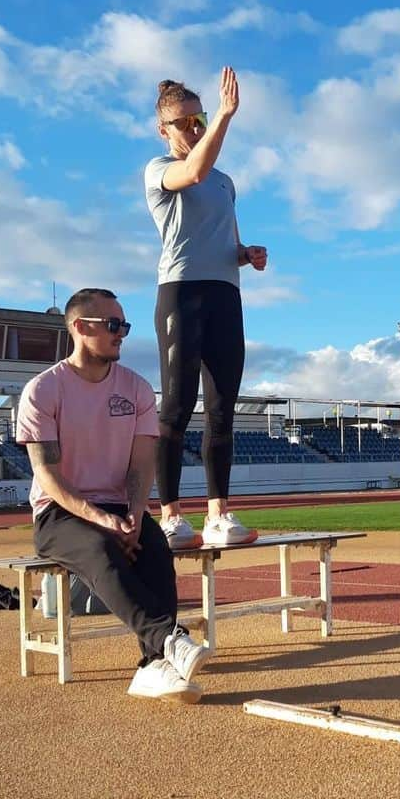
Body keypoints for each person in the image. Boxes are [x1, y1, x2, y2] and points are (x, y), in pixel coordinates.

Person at [16, 288, 212, 703]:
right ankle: (168, 641)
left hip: (119, 507)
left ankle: (151, 665)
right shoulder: (42, 391)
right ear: (79, 328)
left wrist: (136, 517)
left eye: (124, 324)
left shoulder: (137, 390)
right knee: (101, 548)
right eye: (112, 324)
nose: (121, 332)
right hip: (59, 513)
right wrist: (102, 520)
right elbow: (47, 476)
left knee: (155, 547)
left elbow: (141, 465)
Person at [144, 68, 268, 550]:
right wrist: (225, 115)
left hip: (225, 293)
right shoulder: (158, 169)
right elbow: (191, 171)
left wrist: (247, 254)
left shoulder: (226, 182)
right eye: (185, 121)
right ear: (164, 130)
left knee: (223, 410)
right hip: (180, 291)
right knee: (175, 407)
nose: (195, 127)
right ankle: (171, 517)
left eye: (200, 118)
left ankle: (219, 514)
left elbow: (227, 242)